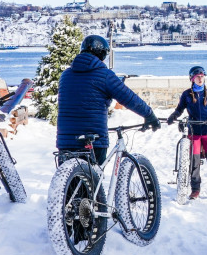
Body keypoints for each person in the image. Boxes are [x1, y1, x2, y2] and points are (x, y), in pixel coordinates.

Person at [56, 35, 160, 165]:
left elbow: (81, 93)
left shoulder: (65, 75)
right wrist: (149, 115)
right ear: (102, 54)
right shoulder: (105, 75)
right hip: (93, 141)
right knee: (94, 181)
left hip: (65, 141)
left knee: (69, 184)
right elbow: (128, 98)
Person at [167, 65, 207, 199]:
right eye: (198, 77)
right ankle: (195, 189)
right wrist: (173, 116)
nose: (200, 79)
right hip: (194, 131)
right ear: (192, 79)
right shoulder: (186, 94)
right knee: (194, 162)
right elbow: (179, 109)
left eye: (202, 77)